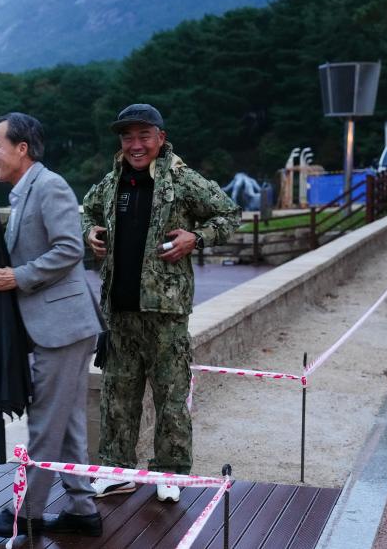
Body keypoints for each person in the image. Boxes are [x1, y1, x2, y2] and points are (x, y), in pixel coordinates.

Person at [0, 112, 104, 538]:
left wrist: (20, 277)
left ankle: (28, 511)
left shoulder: (49, 186)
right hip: (60, 325)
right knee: (68, 419)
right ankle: (81, 508)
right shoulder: (24, 193)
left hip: (62, 326)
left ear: (22, 149)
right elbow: (4, 259)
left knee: (44, 419)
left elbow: (70, 249)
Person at [81, 103, 240, 502]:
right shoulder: (112, 181)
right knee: (118, 394)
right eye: (127, 137)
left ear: (160, 138)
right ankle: (117, 470)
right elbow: (84, 210)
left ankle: (171, 472)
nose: (135, 145)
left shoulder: (182, 180)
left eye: (143, 136)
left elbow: (230, 214)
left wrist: (195, 239)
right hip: (119, 310)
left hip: (166, 312)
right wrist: (90, 231)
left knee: (170, 395)